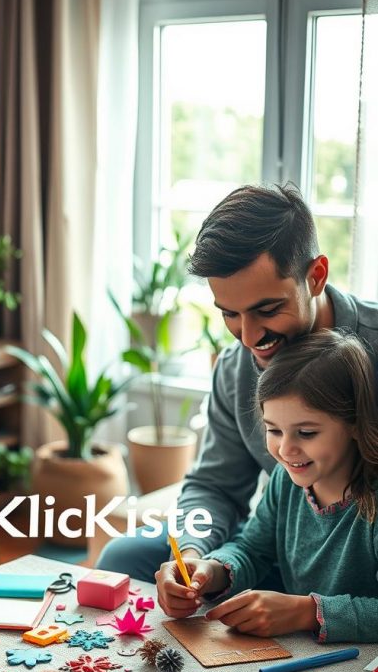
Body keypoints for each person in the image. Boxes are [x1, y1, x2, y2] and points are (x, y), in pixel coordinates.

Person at [95, 183, 378, 596]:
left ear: (315, 276)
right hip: (276, 546)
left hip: (360, 563)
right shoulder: (235, 367)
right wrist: (193, 555)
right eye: (230, 314)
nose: (248, 337)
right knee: (123, 558)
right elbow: (216, 486)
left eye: (267, 310)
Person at [165, 329, 378, 643]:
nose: (286, 449)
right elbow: (252, 550)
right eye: (274, 430)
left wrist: (305, 611)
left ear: (356, 425)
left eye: (306, 433)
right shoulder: (287, 479)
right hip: (303, 650)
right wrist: (211, 571)